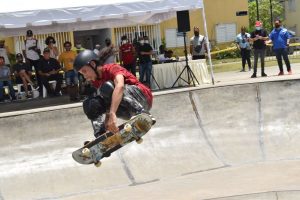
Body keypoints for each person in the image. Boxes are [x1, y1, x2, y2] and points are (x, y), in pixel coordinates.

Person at [73, 50, 155, 137]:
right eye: (82, 74)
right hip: (126, 110)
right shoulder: (96, 82)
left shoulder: (112, 68)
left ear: (93, 64)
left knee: (107, 87)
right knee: (90, 104)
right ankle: (100, 134)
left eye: (85, 71)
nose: (85, 76)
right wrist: (107, 122)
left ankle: (141, 113)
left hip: (142, 98)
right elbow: (108, 101)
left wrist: (112, 114)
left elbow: (120, 86)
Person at [22, 30, 42, 96]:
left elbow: (39, 51)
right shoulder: (24, 41)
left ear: (32, 34)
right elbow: (23, 51)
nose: (29, 36)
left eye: (30, 34)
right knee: (29, 74)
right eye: (28, 34)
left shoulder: (36, 41)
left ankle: (40, 89)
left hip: (36, 59)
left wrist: (35, 49)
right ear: (26, 35)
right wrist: (26, 58)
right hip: (29, 59)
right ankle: (31, 89)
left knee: (38, 74)